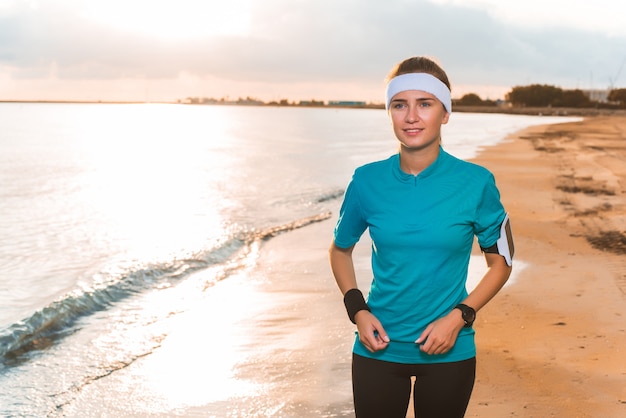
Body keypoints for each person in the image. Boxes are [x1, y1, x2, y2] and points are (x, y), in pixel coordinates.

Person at [329, 56, 514, 418]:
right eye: (400, 105)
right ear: (390, 112)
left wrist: (460, 316)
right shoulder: (366, 181)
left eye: (424, 104)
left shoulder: (476, 183)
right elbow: (340, 251)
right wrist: (358, 311)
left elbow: (501, 263)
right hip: (377, 348)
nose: (411, 116)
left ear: (445, 113)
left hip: (451, 349)